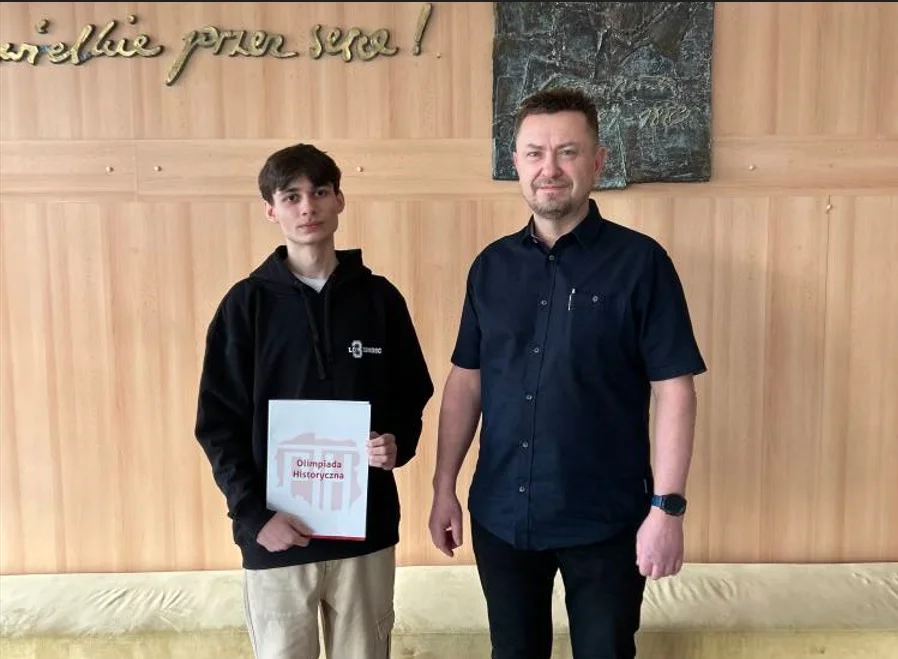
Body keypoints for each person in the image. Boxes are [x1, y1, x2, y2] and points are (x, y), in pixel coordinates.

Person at [428, 87, 707, 659]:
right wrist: (442, 488)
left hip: (606, 520)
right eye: (535, 153)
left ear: (598, 162)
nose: (549, 169)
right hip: (502, 516)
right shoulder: (490, 267)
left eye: (567, 152)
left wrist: (667, 509)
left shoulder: (642, 264)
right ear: (516, 163)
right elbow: (466, 382)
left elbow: (674, 390)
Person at [194, 143, 434, 659]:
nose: (308, 207)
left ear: (339, 200)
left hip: (365, 533)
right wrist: (254, 517)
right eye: (292, 196)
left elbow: (412, 391)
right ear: (271, 210)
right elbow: (218, 424)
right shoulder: (245, 305)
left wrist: (397, 443)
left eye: (320, 192)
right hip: (276, 536)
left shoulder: (380, 299)